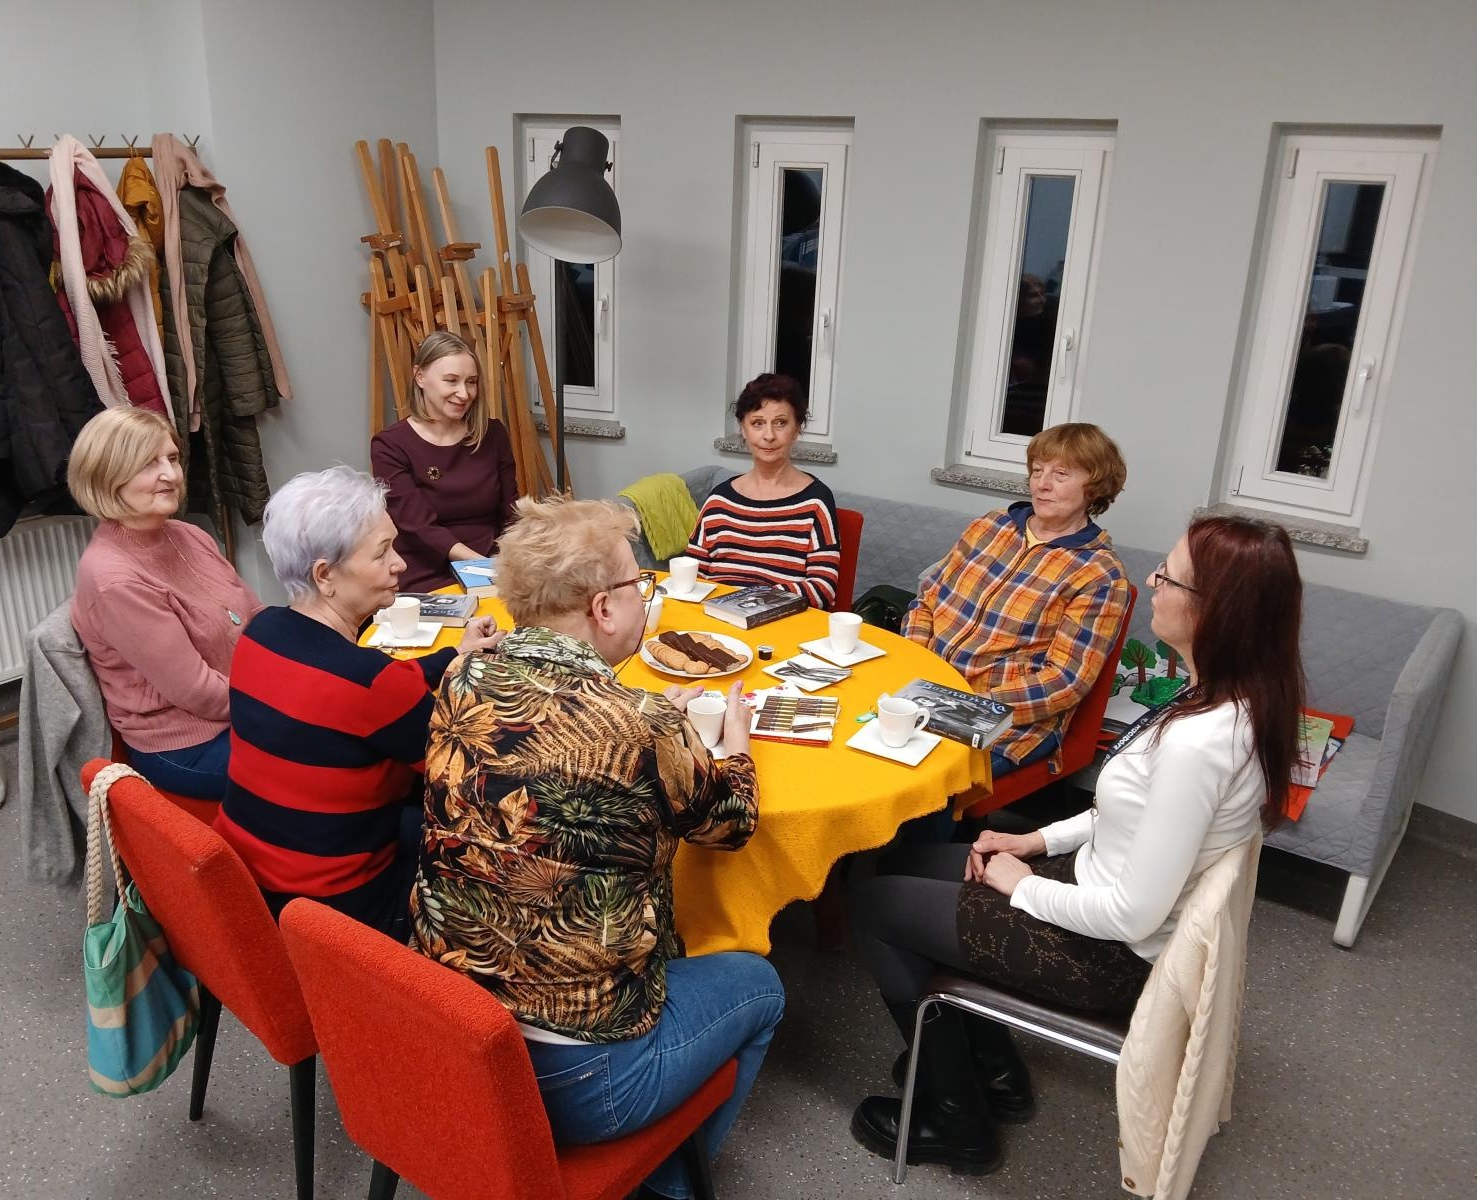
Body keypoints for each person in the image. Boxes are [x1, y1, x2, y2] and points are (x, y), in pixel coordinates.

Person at [848, 515, 1303, 1175]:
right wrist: (1034, 839)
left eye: (1169, 577)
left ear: (1217, 611)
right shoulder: (1221, 698)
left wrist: (1023, 886)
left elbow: (1132, 915)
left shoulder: (1200, 744)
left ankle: (956, 1119)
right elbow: (1129, 812)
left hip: (1107, 952)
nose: (1153, 582)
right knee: (903, 860)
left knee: (874, 908)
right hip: (1090, 886)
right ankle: (992, 1069)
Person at [411, 496, 784, 1200]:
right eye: (639, 585)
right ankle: (667, 1184)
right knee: (762, 986)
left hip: (455, 1034)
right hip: (584, 1078)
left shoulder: (462, 676)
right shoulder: (639, 723)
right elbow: (730, 825)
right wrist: (734, 744)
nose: (645, 599)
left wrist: (657, 725)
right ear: (604, 608)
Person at [213, 466, 502, 938]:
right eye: (382, 552)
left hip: (250, 882)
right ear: (325, 575)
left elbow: (356, 693)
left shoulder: (260, 633)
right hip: (339, 912)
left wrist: (453, 655)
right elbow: (466, 775)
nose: (400, 564)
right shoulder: (373, 685)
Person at [902, 422, 1130, 779]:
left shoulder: (1098, 573)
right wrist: (916, 663)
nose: (1042, 484)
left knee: (919, 777)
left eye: (1061, 474)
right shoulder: (991, 527)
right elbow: (926, 600)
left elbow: (1066, 680)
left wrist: (968, 705)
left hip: (1008, 719)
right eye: (1038, 470)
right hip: (925, 688)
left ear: (1094, 486)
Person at [68, 406, 261, 800]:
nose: (171, 475)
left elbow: (254, 615)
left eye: (172, 458)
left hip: (241, 704)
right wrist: (282, 699)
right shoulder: (114, 578)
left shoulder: (187, 534)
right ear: (107, 476)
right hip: (188, 744)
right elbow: (199, 693)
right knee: (336, 749)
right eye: (148, 464)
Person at [370, 331, 518, 592]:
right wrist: (482, 565)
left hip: (493, 563)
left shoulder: (493, 434)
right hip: (426, 571)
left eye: (471, 382)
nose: (464, 393)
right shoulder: (390, 445)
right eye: (451, 381)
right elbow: (419, 526)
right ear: (420, 377)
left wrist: (515, 560)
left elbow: (511, 513)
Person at [685, 372, 841, 607]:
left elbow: (823, 588)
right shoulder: (719, 500)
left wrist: (751, 602)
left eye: (780, 423)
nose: (769, 436)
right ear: (743, 429)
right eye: (757, 423)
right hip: (713, 620)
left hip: (780, 622)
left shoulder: (816, 501)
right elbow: (692, 573)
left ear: (797, 429)